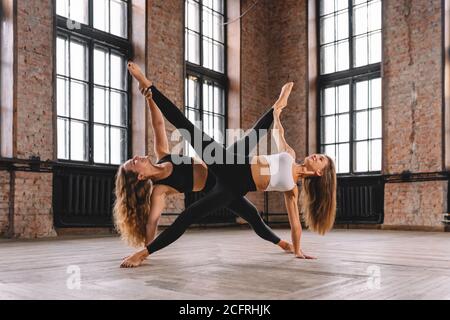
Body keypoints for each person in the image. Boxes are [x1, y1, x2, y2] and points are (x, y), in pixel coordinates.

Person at [120, 62, 336, 268]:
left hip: (231, 185)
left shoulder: (292, 190)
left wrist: (298, 249)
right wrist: (279, 105)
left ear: (319, 174)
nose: (316, 156)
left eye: (321, 160)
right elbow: (276, 129)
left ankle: (283, 244)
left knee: (247, 216)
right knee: (196, 130)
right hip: (231, 163)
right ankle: (147, 83)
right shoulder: (290, 154)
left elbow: (295, 224)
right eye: (319, 155)